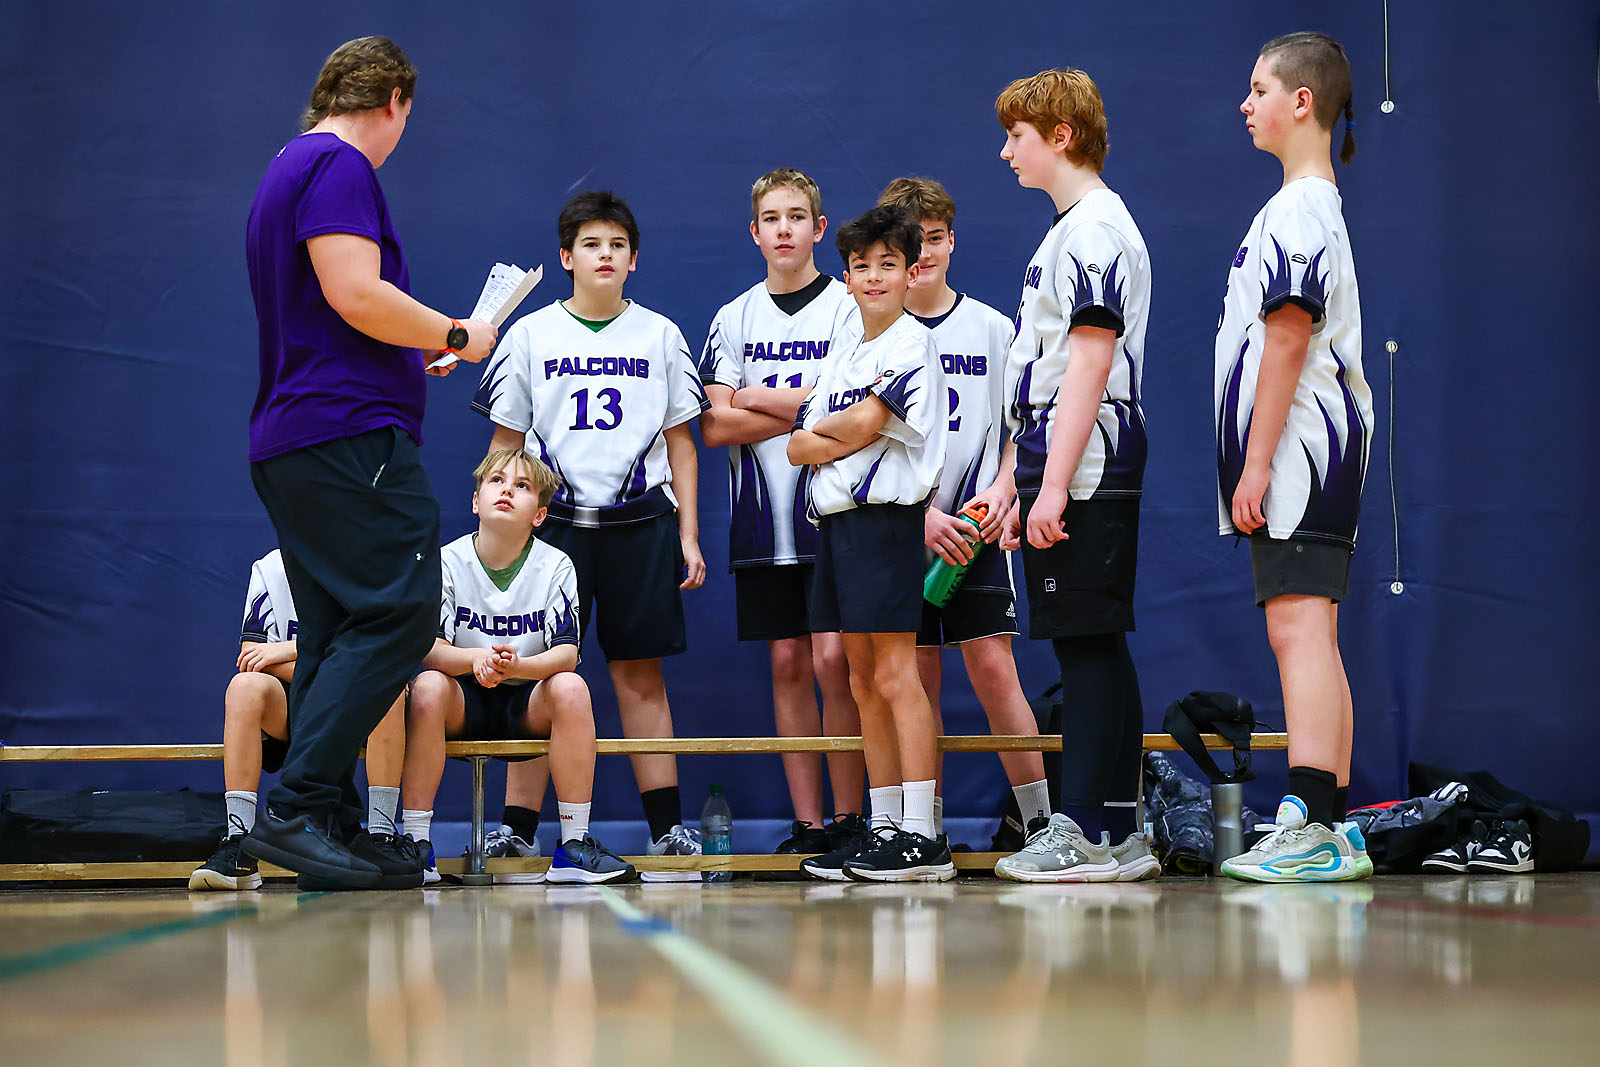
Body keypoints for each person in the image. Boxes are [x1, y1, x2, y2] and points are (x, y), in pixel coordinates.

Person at [242, 35, 497, 889]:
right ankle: (297, 804)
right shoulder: (343, 164)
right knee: (400, 608)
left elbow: (334, 307)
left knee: (336, 628)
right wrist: (458, 332)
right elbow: (356, 291)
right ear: (392, 98)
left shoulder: (285, 168)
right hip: (345, 434)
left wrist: (407, 349)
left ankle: (328, 821)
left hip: (297, 434)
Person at [474, 191, 708, 880]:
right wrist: (502, 535)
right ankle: (517, 832)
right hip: (553, 533)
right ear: (565, 256)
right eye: (590, 243)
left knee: (641, 675)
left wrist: (688, 534)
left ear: (633, 259)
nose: (603, 254)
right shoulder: (529, 336)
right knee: (538, 672)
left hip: (640, 523)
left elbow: (683, 445)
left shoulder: (661, 334)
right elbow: (504, 444)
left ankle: (666, 830)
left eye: (616, 244)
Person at [987, 69, 1162, 883]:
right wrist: (1017, 478)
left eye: (1017, 135)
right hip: (1066, 456)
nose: (1005, 150)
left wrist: (1054, 484)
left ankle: (1084, 828)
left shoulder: (1095, 227)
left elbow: (1090, 357)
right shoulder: (1068, 231)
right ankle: (1120, 832)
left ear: (1060, 133)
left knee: (1083, 646)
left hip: (1086, 459)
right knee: (1097, 641)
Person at [1214, 33, 1374, 883]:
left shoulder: (1302, 208)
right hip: (1310, 446)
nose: (1246, 104)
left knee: (1298, 627)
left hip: (1306, 448)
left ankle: (1308, 821)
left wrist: (1255, 460)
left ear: (1301, 100)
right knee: (1312, 628)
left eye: (1258, 87)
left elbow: (1287, 335)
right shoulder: (1299, 204)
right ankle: (1335, 824)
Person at [874, 177, 1055, 848]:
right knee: (914, 676)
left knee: (992, 666)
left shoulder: (990, 327)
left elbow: (1019, 425)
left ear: (952, 241)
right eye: (909, 239)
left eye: (934, 237)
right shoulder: (872, 329)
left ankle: (1038, 821)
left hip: (975, 530)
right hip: (902, 529)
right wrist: (916, 514)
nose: (922, 252)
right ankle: (926, 828)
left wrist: (1007, 487)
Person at [697, 169, 867, 856]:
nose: (786, 229)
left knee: (836, 661)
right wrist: (802, 399)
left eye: (799, 216)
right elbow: (712, 423)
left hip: (836, 515)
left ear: (820, 229)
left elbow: (854, 409)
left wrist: (754, 394)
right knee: (790, 664)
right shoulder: (733, 316)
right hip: (761, 525)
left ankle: (854, 818)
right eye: (772, 218)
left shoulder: (851, 308)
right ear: (755, 232)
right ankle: (810, 824)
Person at [788, 205, 951, 882]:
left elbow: (861, 423)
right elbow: (799, 439)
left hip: (887, 523)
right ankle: (882, 824)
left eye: (889, 264)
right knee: (859, 678)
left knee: (894, 673)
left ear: (911, 272)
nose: (875, 277)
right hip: (839, 527)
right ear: (847, 276)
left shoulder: (913, 344)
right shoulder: (845, 351)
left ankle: (922, 833)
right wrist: (835, 432)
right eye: (862, 266)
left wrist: (835, 433)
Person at [393, 449, 635, 885]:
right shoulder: (445, 562)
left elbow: (566, 654)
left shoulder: (557, 565)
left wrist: (516, 667)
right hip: (463, 700)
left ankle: (573, 845)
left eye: (522, 486)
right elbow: (429, 648)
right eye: (497, 481)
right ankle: (417, 845)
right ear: (475, 501)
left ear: (539, 515)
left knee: (571, 688)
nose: (507, 490)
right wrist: (477, 660)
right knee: (426, 685)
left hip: (525, 701)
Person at [189, 550, 406, 891]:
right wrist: (313, 655)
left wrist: (289, 650)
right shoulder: (271, 566)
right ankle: (239, 843)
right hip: (292, 706)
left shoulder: (367, 561)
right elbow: (252, 658)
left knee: (391, 688)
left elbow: (380, 655)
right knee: (244, 687)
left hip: (354, 706)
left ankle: (380, 836)